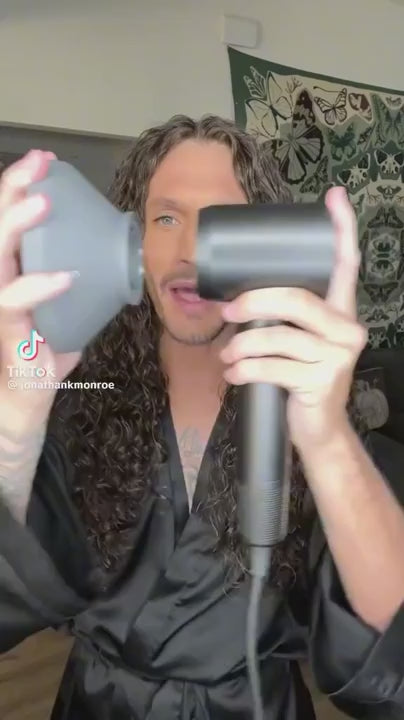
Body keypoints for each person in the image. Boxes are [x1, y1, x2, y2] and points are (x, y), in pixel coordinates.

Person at [0, 115, 404, 720]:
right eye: (166, 218)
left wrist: (328, 440)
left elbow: (392, 673)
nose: (189, 251)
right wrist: (12, 423)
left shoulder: (313, 411)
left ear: (263, 239)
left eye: (221, 221)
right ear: (132, 236)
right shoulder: (73, 393)